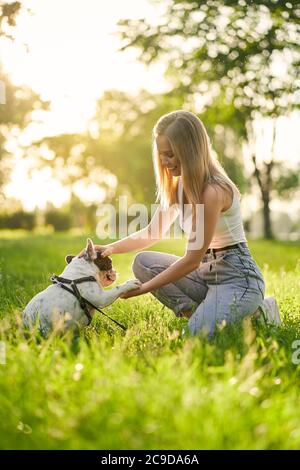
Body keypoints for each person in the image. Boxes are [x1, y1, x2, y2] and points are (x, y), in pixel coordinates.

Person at [91, 110, 280, 336]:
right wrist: (111, 248)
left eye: (170, 154)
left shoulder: (214, 191)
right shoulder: (178, 187)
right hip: (205, 274)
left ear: (190, 151)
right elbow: (153, 232)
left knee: (196, 337)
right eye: (161, 155)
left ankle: (259, 312)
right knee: (143, 262)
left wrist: (142, 289)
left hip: (238, 278)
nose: (164, 161)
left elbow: (191, 260)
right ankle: (201, 315)